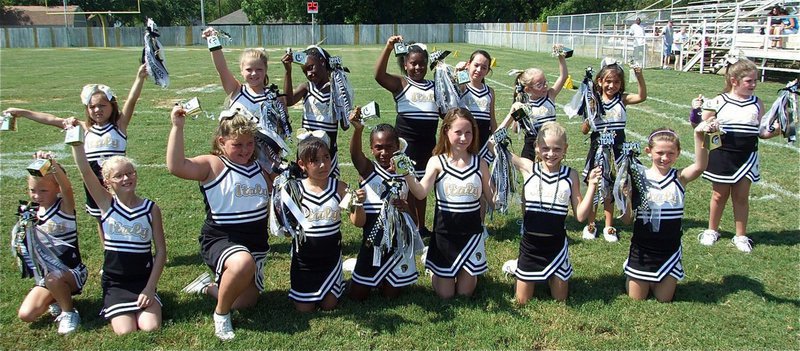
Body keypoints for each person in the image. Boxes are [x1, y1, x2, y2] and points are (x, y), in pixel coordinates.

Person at [3, 65, 148, 235]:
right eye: (92, 107)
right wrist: (22, 112)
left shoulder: (119, 125)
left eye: (102, 105)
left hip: (117, 178)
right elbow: (50, 119)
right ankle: (107, 246)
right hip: (93, 180)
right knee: (101, 217)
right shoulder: (83, 128)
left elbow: (131, 100)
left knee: (123, 212)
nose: (97, 110)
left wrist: (139, 78)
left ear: (112, 106)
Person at [586, 121, 719, 302]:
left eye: (670, 153)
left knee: (664, 299)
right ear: (649, 152)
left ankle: (661, 275)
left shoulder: (679, 178)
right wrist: (626, 198)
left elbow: (700, 166)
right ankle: (633, 270)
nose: (665, 157)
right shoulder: (638, 178)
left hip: (669, 250)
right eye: (660, 153)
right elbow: (627, 220)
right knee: (637, 298)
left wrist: (698, 134)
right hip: (642, 250)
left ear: (678, 153)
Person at [169, 107, 270, 341]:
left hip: (255, 240)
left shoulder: (258, 167)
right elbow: (177, 166)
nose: (245, 150)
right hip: (222, 237)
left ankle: (208, 287)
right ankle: (221, 315)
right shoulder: (213, 165)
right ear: (222, 142)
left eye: (249, 143)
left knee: (245, 302)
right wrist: (177, 127)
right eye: (237, 145)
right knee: (242, 263)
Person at [70, 144, 166, 335]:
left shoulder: (150, 208)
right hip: (116, 283)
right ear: (107, 181)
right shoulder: (106, 204)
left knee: (151, 327)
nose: (126, 178)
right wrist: (77, 144)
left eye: (130, 173)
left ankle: (151, 297)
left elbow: (161, 252)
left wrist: (149, 288)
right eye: (118, 176)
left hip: (142, 280)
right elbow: (86, 171)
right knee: (125, 331)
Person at [492, 118, 589, 303]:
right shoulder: (529, 169)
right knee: (522, 301)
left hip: (556, 246)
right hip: (530, 246)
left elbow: (580, 216)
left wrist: (592, 186)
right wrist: (512, 115)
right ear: (536, 147)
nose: (551, 154)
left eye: (557, 149)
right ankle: (518, 266)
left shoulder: (570, 175)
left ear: (565, 149)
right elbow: (492, 144)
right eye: (545, 148)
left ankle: (553, 271)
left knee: (560, 299)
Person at [403, 108, 493, 299]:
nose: (463, 138)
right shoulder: (437, 162)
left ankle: (465, 269)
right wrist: (406, 173)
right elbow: (420, 193)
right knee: (446, 295)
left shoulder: (480, 163)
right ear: (446, 131)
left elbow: (493, 199)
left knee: (465, 293)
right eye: (458, 132)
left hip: (471, 235)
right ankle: (433, 266)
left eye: (468, 132)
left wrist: (503, 178)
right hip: (444, 236)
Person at [697, 59, 781, 253]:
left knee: (741, 197)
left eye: (755, 81)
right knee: (719, 195)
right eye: (749, 81)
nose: (753, 85)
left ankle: (741, 235)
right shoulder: (719, 100)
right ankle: (712, 230)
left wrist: (777, 130)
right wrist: (708, 123)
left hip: (747, 157)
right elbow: (700, 124)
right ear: (734, 81)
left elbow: (761, 132)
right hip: (722, 154)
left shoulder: (757, 102)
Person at [347, 112, 419, 300]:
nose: (384, 153)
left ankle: (392, 275)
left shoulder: (406, 174)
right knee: (357, 296)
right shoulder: (368, 170)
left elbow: (414, 219)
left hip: (397, 245)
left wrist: (406, 208)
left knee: (390, 296)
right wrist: (358, 130)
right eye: (378, 147)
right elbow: (355, 155)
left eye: (389, 147)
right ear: (371, 149)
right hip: (372, 244)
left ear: (398, 147)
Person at [290, 135, 366, 311]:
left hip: (330, 258)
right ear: (302, 164)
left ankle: (341, 282)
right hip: (304, 261)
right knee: (304, 309)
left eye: (326, 157)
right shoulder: (295, 190)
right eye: (315, 160)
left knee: (329, 305)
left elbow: (358, 222)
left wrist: (358, 204)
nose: (323, 164)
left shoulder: (340, 188)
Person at [375, 35, 440, 238]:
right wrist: (388, 47)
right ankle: (410, 225)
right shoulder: (401, 84)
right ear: (405, 64)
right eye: (413, 63)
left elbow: (447, 112)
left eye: (422, 63)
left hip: (428, 145)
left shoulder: (435, 86)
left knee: (422, 188)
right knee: (407, 187)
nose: (418, 67)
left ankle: (421, 226)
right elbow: (379, 75)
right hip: (406, 146)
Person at [15, 152, 87, 335]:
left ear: (57, 189)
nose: (36, 195)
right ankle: (56, 297)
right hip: (47, 276)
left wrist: (52, 164)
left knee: (54, 278)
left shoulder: (64, 208)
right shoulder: (30, 213)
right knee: (26, 315)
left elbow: (68, 187)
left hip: (72, 272)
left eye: (43, 191)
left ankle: (69, 312)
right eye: (32, 190)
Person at [582, 58, 647, 242]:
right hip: (598, 150)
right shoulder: (593, 101)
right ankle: (591, 224)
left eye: (616, 82)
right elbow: (584, 130)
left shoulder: (622, 99)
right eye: (608, 81)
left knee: (612, 186)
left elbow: (642, 96)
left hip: (618, 151)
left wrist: (639, 76)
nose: (612, 85)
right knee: (596, 185)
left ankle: (609, 225)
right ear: (600, 81)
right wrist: (590, 118)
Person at [282, 45, 345, 177]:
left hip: (327, 150)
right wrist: (288, 71)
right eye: (305, 71)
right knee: (304, 182)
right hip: (306, 148)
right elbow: (288, 101)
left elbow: (345, 125)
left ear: (322, 62)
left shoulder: (336, 89)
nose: (309, 73)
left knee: (327, 181)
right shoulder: (306, 87)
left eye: (311, 67)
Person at [509, 50, 569, 161]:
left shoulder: (550, 95)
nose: (545, 86)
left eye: (545, 82)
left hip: (550, 146)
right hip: (531, 148)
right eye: (539, 84)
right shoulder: (525, 106)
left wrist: (561, 57)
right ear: (528, 89)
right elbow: (515, 129)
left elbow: (564, 76)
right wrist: (517, 116)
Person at [456, 50, 497, 161]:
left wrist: (496, 140)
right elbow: (456, 89)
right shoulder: (463, 86)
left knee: (481, 169)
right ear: (468, 64)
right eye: (476, 65)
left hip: (483, 140)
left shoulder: (490, 92)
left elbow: (492, 119)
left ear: (488, 71)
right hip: (465, 137)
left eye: (484, 68)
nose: (479, 70)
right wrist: (459, 71)